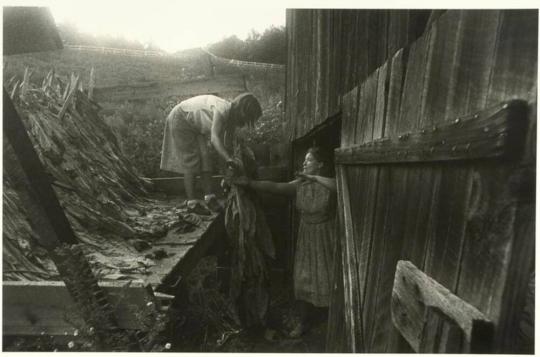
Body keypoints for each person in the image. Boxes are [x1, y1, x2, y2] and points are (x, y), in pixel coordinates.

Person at [231, 147, 337, 337]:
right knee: (304, 278)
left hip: (326, 238)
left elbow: (339, 186)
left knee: (328, 277)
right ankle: (304, 323)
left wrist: (315, 178)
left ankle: (332, 323)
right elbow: (275, 187)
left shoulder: (329, 183)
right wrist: (249, 183)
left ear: (320, 165)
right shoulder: (299, 185)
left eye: (309, 160)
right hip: (307, 237)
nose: (304, 163)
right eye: (304, 160)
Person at [160, 93, 262, 201]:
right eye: (247, 118)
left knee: (206, 158)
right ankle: (192, 203)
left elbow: (226, 146)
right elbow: (215, 138)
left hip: (195, 126)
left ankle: (209, 198)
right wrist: (229, 159)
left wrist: (228, 171)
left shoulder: (231, 118)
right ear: (242, 111)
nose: (244, 122)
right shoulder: (222, 109)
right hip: (181, 117)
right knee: (191, 160)